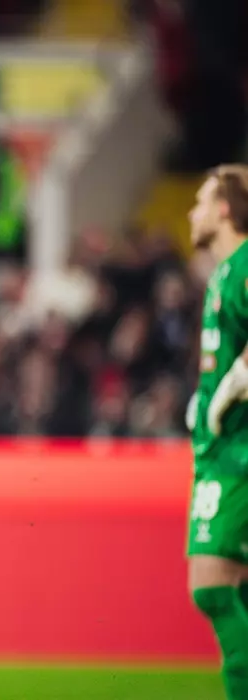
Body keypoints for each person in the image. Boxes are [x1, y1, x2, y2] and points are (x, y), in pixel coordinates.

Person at [186, 164, 248, 699]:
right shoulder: (224, 274)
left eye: (202, 201)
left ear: (225, 209)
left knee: (211, 586)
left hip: (238, 455)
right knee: (236, 589)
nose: (193, 212)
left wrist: (238, 379)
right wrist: (207, 396)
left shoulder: (245, 264)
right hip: (221, 449)